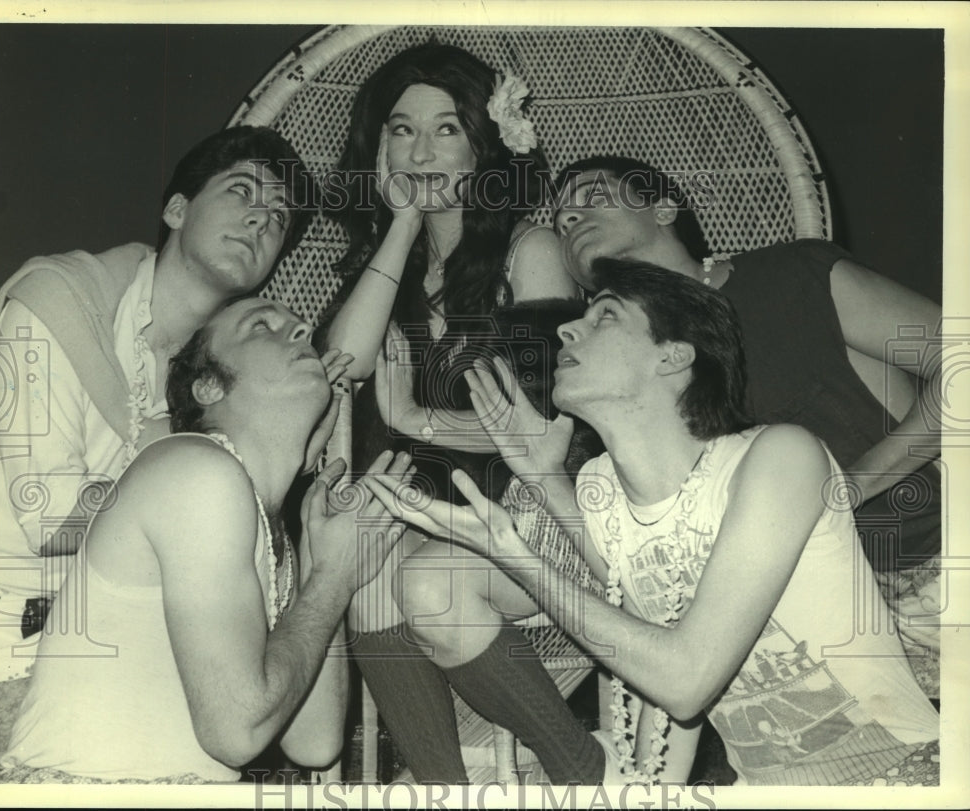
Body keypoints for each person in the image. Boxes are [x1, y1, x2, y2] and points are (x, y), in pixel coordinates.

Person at [366, 261, 940, 786]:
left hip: (895, 775)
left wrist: (515, 555)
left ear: (674, 355)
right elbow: (646, 635)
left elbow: (685, 680)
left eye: (605, 316)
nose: (567, 329)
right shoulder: (598, 488)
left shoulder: (779, 457)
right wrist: (545, 477)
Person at [0, 126, 316, 776]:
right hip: (3, 658)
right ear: (176, 209)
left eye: (278, 218)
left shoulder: (221, 374)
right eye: (241, 192)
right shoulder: (56, 301)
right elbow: (49, 519)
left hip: (129, 645)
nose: (261, 218)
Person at [552, 155, 943, 697]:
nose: (571, 221)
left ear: (664, 207)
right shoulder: (621, 366)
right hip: (799, 634)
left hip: (937, 567)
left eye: (591, 198)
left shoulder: (792, 277)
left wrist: (850, 487)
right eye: (561, 221)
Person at [319, 42, 593, 783]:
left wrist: (415, 421)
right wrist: (402, 227)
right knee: (366, 570)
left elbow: (546, 427)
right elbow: (342, 365)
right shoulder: (394, 270)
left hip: (554, 513)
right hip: (450, 524)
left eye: (446, 128)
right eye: (401, 129)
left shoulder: (527, 250)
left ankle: (578, 766)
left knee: (419, 581)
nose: (421, 148)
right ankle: (444, 791)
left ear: (483, 143)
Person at [0, 297, 414, 782]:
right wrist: (334, 579)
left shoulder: (260, 518)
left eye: (300, 327)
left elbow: (313, 740)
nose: (302, 331)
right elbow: (237, 731)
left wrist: (318, 554)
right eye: (262, 326)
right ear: (209, 386)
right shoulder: (193, 470)